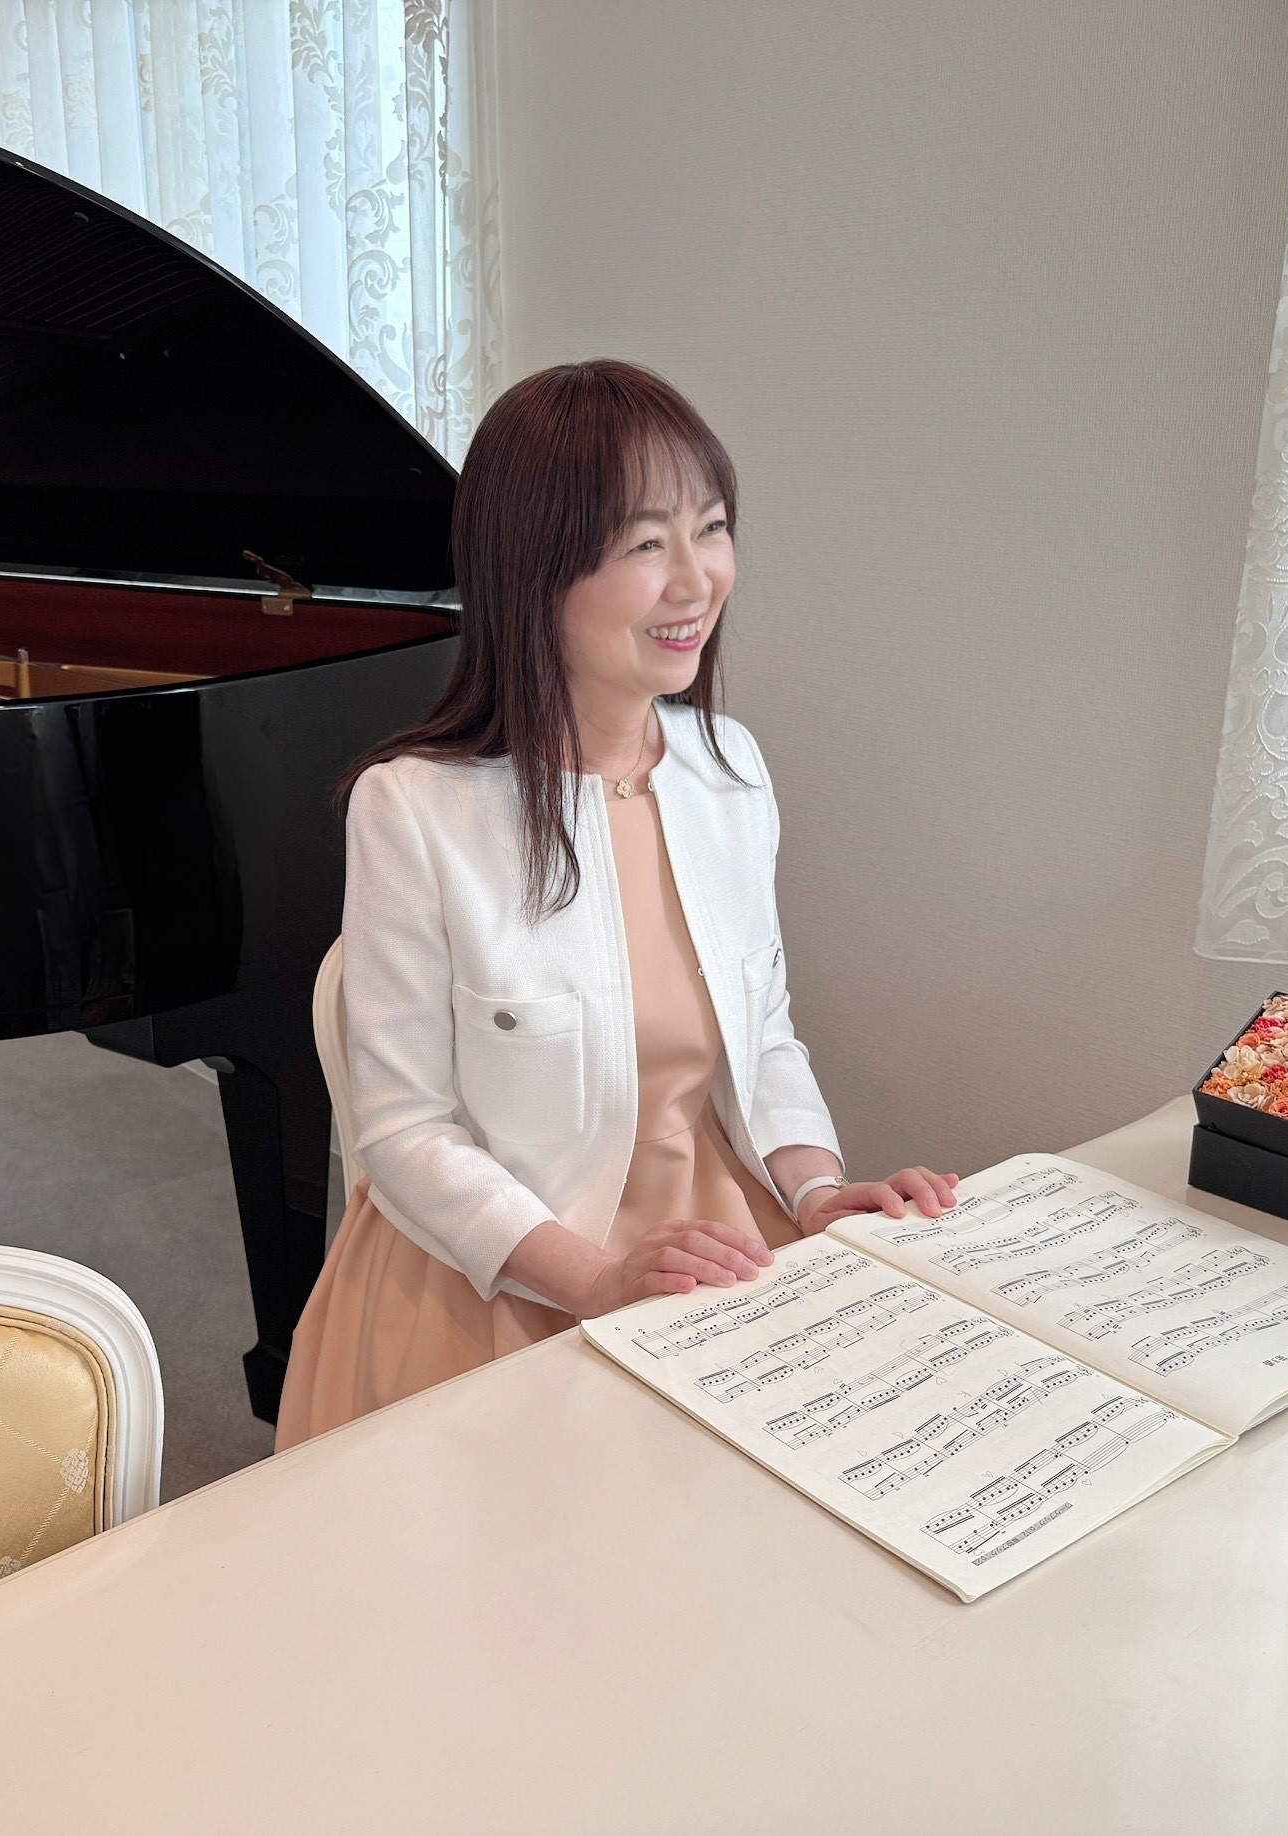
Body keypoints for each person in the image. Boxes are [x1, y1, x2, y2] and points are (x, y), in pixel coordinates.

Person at [274, 359, 956, 1450]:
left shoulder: (730, 767)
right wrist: (595, 1281)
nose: (698, 581)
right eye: (645, 544)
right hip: (503, 1264)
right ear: (532, 570)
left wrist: (817, 1193)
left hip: (711, 1232)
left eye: (712, 529)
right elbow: (405, 1134)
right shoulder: (414, 808)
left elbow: (764, 1040)